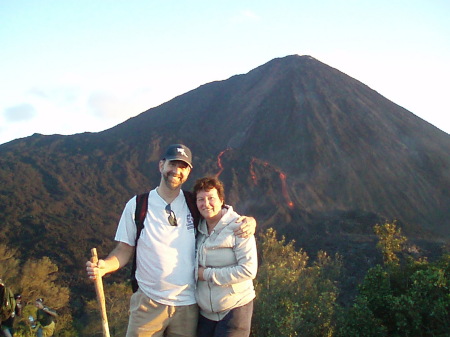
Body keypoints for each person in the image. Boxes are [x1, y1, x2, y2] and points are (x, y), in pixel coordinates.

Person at [86, 144, 256, 337]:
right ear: (161, 165)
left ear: (188, 172)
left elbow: (221, 214)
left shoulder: (195, 203)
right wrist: (105, 267)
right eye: (172, 164)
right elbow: (124, 249)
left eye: (183, 166)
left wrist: (250, 222)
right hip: (148, 304)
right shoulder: (138, 205)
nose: (176, 171)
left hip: (188, 306)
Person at [194, 177, 257, 337]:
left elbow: (248, 270)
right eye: (201, 199)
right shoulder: (196, 227)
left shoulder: (239, 226)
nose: (206, 204)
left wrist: (206, 274)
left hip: (234, 308)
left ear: (221, 200)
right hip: (205, 313)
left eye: (211, 198)